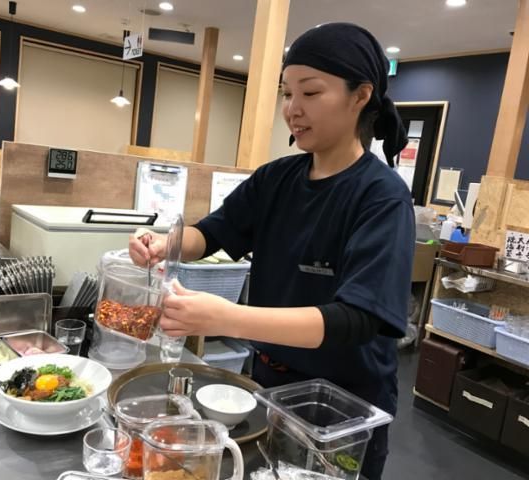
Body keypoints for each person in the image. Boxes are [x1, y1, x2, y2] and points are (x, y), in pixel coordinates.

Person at [129, 23, 415, 479]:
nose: (293, 109)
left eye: (311, 92)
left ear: (361, 96)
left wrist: (226, 318)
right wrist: (167, 244)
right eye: (287, 93)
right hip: (268, 386)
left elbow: (356, 319)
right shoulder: (276, 178)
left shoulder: (381, 197)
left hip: (343, 408)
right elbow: (214, 232)